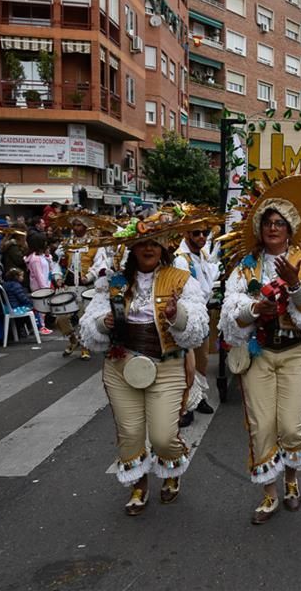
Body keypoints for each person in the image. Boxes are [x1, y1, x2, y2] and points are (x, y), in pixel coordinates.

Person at [219, 157, 301, 525]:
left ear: (289, 230)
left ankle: (291, 479)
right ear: (260, 229)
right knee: (261, 426)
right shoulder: (245, 265)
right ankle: (269, 493)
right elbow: (229, 314)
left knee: (290, 426)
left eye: (279, 223)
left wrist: (296, 284)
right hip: (257, 354)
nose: (273, 228)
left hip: (293, 352)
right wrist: (255, 308)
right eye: (268, 223)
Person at [80, 210, 209, 515]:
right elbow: (88, 323)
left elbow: (199, 326)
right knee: (130, 433)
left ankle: (172, 465)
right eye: (142, 243)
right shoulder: (113, 282)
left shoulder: (181, 279)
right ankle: (138, 485)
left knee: (163, 436)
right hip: (121, 366)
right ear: (132, 248)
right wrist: (103, 323)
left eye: (154, 242)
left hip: (167, 365)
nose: (148, 248)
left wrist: (176, 315)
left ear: (163, 247)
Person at [173, 219, 220, 423]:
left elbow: (209, 278)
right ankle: (186, 405)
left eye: (204, 233)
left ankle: (198, 397)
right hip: (189, 317)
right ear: (186, 235)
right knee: (188, 363)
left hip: (203, 314)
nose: (201, 237)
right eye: (196, 233)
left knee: (202, 360)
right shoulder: (181, 260)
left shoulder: (202, 254)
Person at [53, 212, 115, 360]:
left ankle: (85, 346)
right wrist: (58, 277)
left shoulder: (95, 243)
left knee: (84, 318)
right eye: (74, 225)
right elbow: (56, 262)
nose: (76, 228)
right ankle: (73, 339)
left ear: (86, 226)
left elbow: (101, 263)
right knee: (60, 318)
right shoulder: (66, 243)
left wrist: (90, 276)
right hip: (68, 286)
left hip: (86, 287)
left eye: (79, 225)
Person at [25, 232, 54, 335]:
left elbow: (49, 267)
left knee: (44, 306)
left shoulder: (41, 256)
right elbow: (39, 275)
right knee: (40, 307)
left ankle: (42, 325)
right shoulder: (35, 259)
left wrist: (48, 257)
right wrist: (45, 288)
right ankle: (41, 326)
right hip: (39, 286)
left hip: (45, 283)